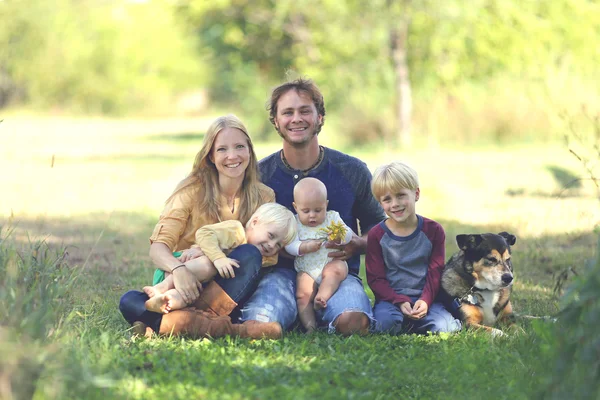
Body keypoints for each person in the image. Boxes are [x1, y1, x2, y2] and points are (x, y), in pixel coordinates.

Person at [240, 78, 387, 335]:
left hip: (337, 273)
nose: (296, 118)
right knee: (259, 324)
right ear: (276, 120)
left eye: (305, 110)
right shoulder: (260, 175)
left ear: (320, 117)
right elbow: (246, 231)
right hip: (281, 275)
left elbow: (378, 224)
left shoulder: (352, 170)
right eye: (287, 112)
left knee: (354, 324)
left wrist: (358, 245)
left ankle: (325, 312)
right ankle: (294, 313)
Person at [119, 114, 283, 339]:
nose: (232, 156)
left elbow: (268, 254)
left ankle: (168, 324)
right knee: (129, 301)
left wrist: (211, 250)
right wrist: (179, 271)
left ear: (250, 151)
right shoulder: (190, 190)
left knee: (250, 253)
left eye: (239, 147)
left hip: (226, 288)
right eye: (222, 149)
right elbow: (158, 248)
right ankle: (225, 328)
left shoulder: (264, 196)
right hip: (179, 283)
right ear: (210, 157)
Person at [144, 202, 297, 314]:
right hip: (179, 267)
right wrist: (218, 258)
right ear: (255, 222)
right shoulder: (236, 231)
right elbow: (204, 233)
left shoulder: (266, 258)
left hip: (193, 285)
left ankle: (165, 302)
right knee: (208, 264)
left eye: (279, 245)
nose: (271, 245)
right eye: (271, 236)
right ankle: (161, 288)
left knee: (191, 295)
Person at [366, 161, 461, 334]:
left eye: (401, 195)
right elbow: (375, 279)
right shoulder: (376, 235)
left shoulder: (434, 231)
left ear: (416, 194)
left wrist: (425, 300)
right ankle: (407, 322)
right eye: (387, 199)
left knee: (445, 328)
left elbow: (435, 272)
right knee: (383, 326)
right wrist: (399, 301)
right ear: (380, 204)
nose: (395, 204)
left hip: (427, 298)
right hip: (391, 300)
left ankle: (425, 320)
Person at [284, 177, 353, 332]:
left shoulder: (332, 218)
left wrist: (339, 236)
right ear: (295, 207)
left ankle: (322, 296)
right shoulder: (294, 222)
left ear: (326, 205)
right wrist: (304, 247)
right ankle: (310, 326)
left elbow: (348, 235)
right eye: (306, 211)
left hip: (330, 262)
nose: (312, 216)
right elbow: (289, 245)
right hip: (307, 268)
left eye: (318, 210)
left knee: (336, 270)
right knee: (302, 295)